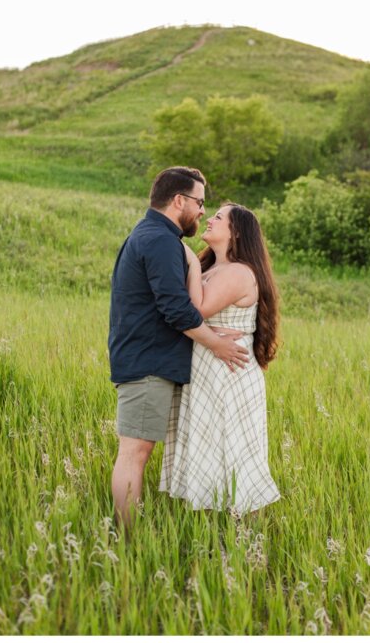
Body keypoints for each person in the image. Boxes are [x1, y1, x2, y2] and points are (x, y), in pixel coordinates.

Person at [108, 167, 250, 526]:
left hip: (149, 360)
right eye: (200, 203)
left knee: (140, 452)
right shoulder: (159, 240)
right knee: (135, 453)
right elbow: (176, 310)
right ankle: (126, 540)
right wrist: (217, 343)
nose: (202, 211)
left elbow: (172, 306)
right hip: (147, 364)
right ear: (178, 201)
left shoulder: (157, 237)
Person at [160, 203, 281, 513]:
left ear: (236, 231)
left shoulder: (239, 272)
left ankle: (242, 537)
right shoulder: (215, 266)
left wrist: (191, 263)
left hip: (228, 371)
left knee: (232, 450)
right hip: (208, 367)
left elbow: (195, 311)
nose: (209, 220)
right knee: (209, 445)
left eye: (218, 217)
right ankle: (209, 526)